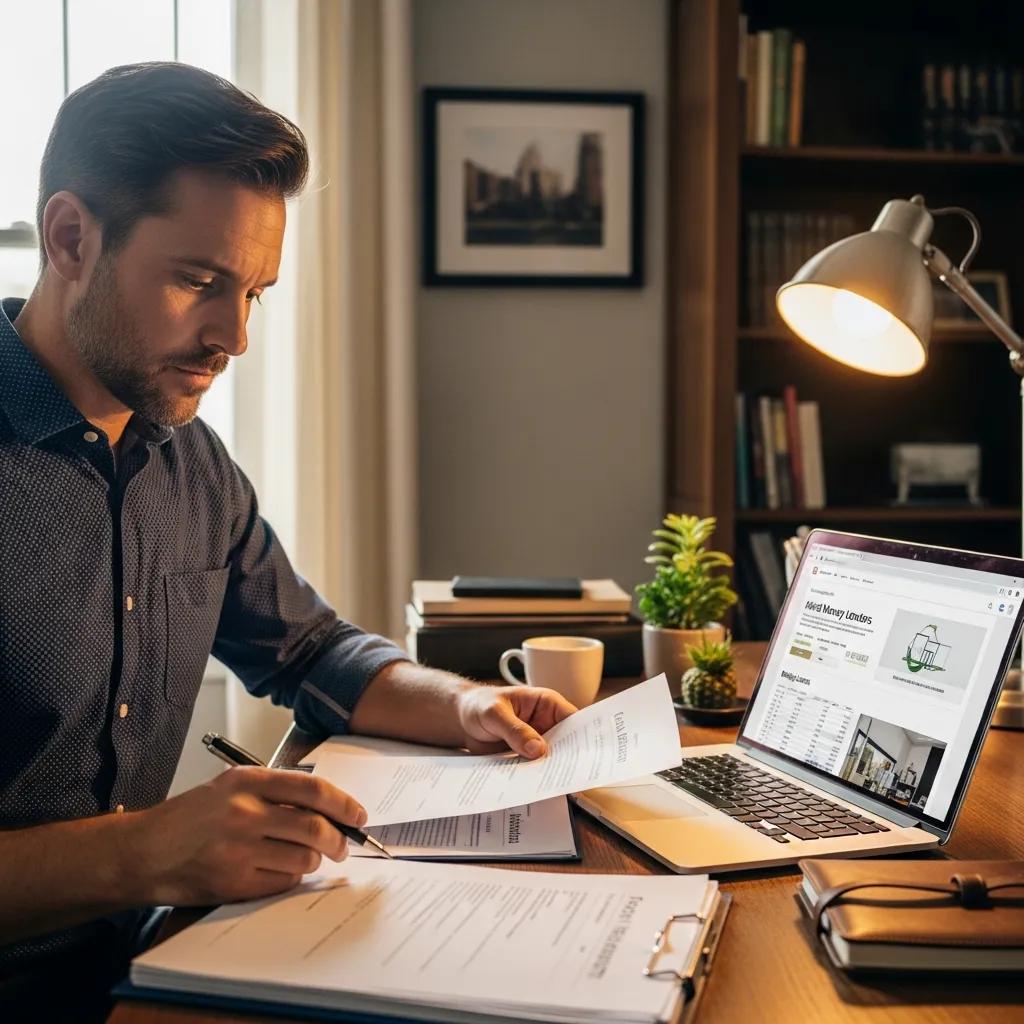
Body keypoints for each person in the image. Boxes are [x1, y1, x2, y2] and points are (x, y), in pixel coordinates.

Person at [0, 62, 576, 1019]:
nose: (234, 336)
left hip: (156, 972)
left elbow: (313, 652)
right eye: (198, 280)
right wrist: (145, 852)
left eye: (255, 293)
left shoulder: (192, 465)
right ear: (69, 238)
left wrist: (465, 703)